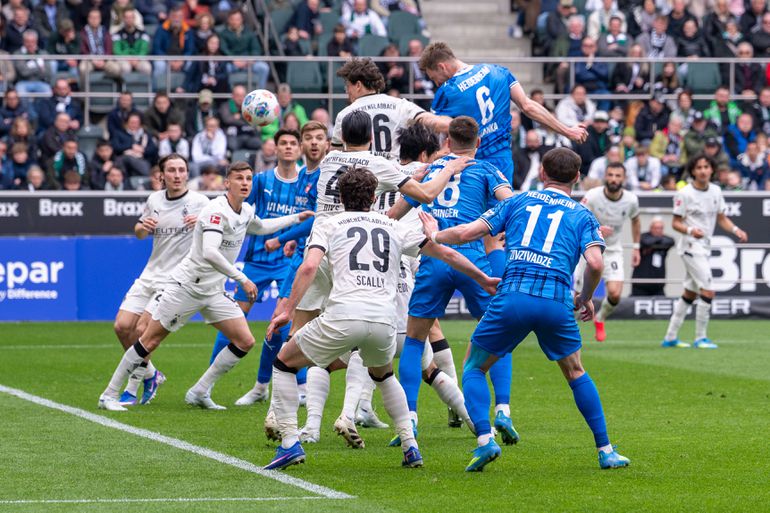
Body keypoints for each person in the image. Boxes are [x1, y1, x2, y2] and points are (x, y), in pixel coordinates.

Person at [263, 167, 499, 470]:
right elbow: (447, 254)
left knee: (284, 363)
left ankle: (289, 443)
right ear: (374, 198)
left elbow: (308, 267)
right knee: (384, 375)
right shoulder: (393, 226)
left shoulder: (328, 224)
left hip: (344, 314)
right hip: (386, 321)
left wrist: (287, 310)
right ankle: (411, 447)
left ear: (340, 198)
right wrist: (482, 278)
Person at [420, 147, 630, 472]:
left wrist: (434, 233)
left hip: (514, 295)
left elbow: (465, 233)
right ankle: (606, 450)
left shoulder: (517, 201)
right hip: (555, 300)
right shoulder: (583, 215)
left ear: (542, 173)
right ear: (577, 177)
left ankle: (485, 440)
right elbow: (596, 263)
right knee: (575, 371)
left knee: (474, 366)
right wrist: (586, 297)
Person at [275, 110, 473, 446]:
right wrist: (449, 167)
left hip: (327, 255)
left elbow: (307, 267)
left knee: (313, 348)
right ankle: (437, 429)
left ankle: (306, 425)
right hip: (382, 285)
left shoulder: (329, 162)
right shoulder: (385, 179)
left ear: (339, 138)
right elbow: (424, 197)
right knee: (400, 359)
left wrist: (285, 307)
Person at [98, 160, 312, 411]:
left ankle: (199, 391)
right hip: (187, 287)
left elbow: (262, 226)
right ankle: (108, 395)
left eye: (248, 179)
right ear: (227, 183)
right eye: (239, 178)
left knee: (244, 341)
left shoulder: (245, 211)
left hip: (213, 291)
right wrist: (242, 278)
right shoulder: (215, 210)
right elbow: (210, 252)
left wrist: (296, 217)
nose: (245, 183)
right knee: (149, 340)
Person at [387, 116, 518, 445]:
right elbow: (510, 202)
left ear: (447, 142)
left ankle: (410, 417)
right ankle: (503, 410)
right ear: (478, 143)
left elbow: (394, 214)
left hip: (434, 255)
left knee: (415, 339)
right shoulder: (487, 169)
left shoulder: (431, 170)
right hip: (471, 257)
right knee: (497, 335)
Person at [205, 129, 304, 408]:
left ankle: (268, 385)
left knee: (283, 323)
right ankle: (207, 383)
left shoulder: (306, 182)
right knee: (232, 320)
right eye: (283, 143)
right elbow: (237, 211)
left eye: (292, 143)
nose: (288, 147)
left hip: (288, 263)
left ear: (298, 149)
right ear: (275, 148)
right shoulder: (260, 180)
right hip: (256, 261)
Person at [235, 121, 328, 408]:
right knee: (284, 321)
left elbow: (317, 219)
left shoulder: (324, 175)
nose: (314, 143)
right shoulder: (304, 177)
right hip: (302, 254)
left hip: (325, 257)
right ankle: (269, 386)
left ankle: (346, 400)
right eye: (309, 138)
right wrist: (294, 241)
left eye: (320, 138)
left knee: (323, 327)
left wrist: (281, 239)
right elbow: (308, 219)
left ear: (327, 144)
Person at [108, 154, 208, 404]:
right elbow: (139, 231)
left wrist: (202, 223)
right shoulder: (154, 199)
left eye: (181, 170)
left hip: (174, 279)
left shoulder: (200, 202)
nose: (177, 175)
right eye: (171, 170)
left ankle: (132, 388)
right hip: (150, 274)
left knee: (142, 330)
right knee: (122, 327)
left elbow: (219, 231)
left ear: (187, 173)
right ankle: (151, 374)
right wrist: (143, 228)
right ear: (161, 175)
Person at [419, 42, 588, 185]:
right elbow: (528, 106)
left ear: (442, 66)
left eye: (434, 78)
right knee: (501, 209)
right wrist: (568, 131)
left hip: (469, 164)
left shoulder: (447, 92)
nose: (436, 83)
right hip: (501, 160)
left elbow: (441, 132)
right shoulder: (498, 71)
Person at [662, 155, 748, 349]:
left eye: (706, 167)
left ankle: (670, 337)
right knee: (708, 290)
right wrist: (691, 230)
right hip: (690, 246)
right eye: (699, 167)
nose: (702, 170)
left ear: (712, 170)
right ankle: (701, 338)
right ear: (693, 171)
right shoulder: (684, 194)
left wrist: (736, 230)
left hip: (705, 247)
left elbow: (721, 217)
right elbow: (675, 223)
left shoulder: (716, 191)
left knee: (689, 293)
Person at [332, 58, 452, 162]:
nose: (347, 92)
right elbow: (437, 123)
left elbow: (335, 155)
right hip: (397, 176)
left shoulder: (345, 114)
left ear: (358, 85)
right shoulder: (401, 105)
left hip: (361, 177)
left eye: (347, 86)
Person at [579, 163, 640, 342]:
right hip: (589, 248)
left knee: (615, 294)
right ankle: (569, 328)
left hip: (612, 250)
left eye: (618, 176)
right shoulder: (592, 196)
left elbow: (636, 220)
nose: (614, 179)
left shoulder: (631, 200)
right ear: (605, 176)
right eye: (611, 175)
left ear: (624, 179)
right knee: (577, 296)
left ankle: (600, 318)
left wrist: (636, 247)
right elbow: (577, 218)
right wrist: (597, 230)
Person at [219, 9, 269, 90]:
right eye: (232, 19)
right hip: (232, 63)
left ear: (242, 19)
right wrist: (233, 60)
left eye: (237, 19)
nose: (235, 22)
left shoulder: (249, 32)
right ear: (229, 20)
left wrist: (250, 60)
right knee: (225, 69)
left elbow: (256, 49)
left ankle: (259, 92)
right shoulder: (223, 34)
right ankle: (229, 92)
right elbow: (224, 49)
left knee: (263, 68)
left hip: (249, 62)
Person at [632, 217, 675, 296]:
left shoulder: (665, 240)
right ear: (651, 228)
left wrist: (655, 242)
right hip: (640, 285)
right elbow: (646, 242)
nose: (658, 230)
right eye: (656, 228)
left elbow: (671, 241)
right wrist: (659, 240)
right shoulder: (643, 237)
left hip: (658, 286)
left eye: (660, 228)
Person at [112, 8, 152, 75]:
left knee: (146, 67)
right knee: (125, 67)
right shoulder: (117, 34)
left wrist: (137, 59)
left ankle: (143, 82)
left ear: (134, 18)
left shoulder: (143, 34)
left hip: (139, 60)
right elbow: (117, 50)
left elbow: (144, 50)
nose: (129, 19)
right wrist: (127, 59)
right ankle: (124, 82)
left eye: (131, 17)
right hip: (123, 60)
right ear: (123, 19)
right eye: (127, 17)